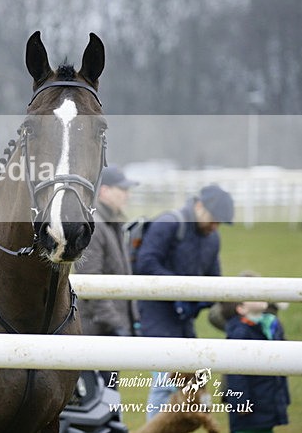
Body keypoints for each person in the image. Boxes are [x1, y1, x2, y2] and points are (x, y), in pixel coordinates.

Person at [134, 183, 234, 419]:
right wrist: (180, 290)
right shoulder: (168, 223)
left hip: (184, 320)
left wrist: (201, 300)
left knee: (188, 383)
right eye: (214, 218)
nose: (215, 226)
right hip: (155, 316)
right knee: (165, 384)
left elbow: (213, 278)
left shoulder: (212, 238)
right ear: (199, 206)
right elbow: (146, 263)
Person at [78, 165, 140, 386]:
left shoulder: (112, 224)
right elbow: (90, 281)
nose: (127, 195)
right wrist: (117, 325)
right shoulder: (96, 226)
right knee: (99, 396)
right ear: (104, 191)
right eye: (122, 190)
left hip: (107, 328)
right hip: (97, 332)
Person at [225, 299, 290, 433]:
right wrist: (240, 401)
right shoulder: (240, 332)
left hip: (268, 402)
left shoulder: (271, 325)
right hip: (249, 407)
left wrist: (283, 398)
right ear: (241, 308)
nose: (259, 297)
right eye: (252, 297)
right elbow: (235, 372)